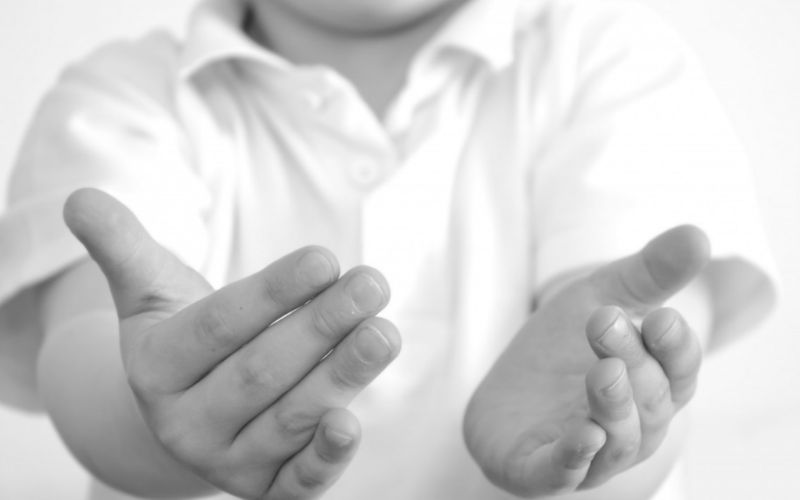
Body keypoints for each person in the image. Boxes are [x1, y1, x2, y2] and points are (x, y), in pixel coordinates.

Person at [0, 0, 776, 499]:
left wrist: (594, 438)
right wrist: (166, 419)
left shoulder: (611, 57)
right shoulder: (122, 96)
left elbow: (648, 380)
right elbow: (88, 353)